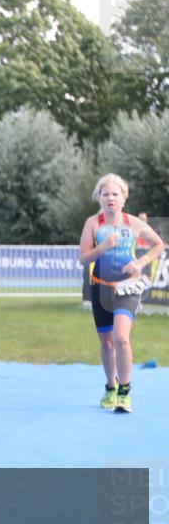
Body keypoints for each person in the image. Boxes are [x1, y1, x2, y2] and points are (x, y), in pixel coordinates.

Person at [78, 174, 165, 413]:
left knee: (121, 338)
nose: (110, 198)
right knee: (106, 343)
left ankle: (125, 391)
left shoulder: (134, 223)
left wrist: (141, 262)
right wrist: (103, 247)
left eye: (115, 194)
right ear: (99, 198)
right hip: (101, 288)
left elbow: (159, 244)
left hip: (128, 288)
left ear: (124, 198)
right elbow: (83, 259)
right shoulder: (93, 223)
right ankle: (110, 387)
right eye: (105, 194)